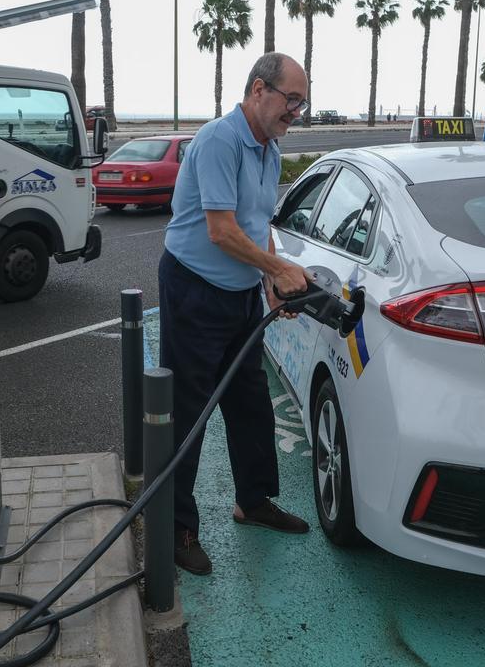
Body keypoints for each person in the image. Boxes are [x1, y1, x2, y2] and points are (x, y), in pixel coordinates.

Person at [158, 52, 313, 576]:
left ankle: (254, 501)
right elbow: (221, 230)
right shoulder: (219, 140)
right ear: (257, 90)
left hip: (241, 293)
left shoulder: (269, 148)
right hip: (195, 291)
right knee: (188, 413)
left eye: (302, 102)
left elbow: (254, 220)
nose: (297, 111)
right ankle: (177, 528)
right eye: (291, 99)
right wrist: (279, 268)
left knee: (250, 402)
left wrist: (270, 280)